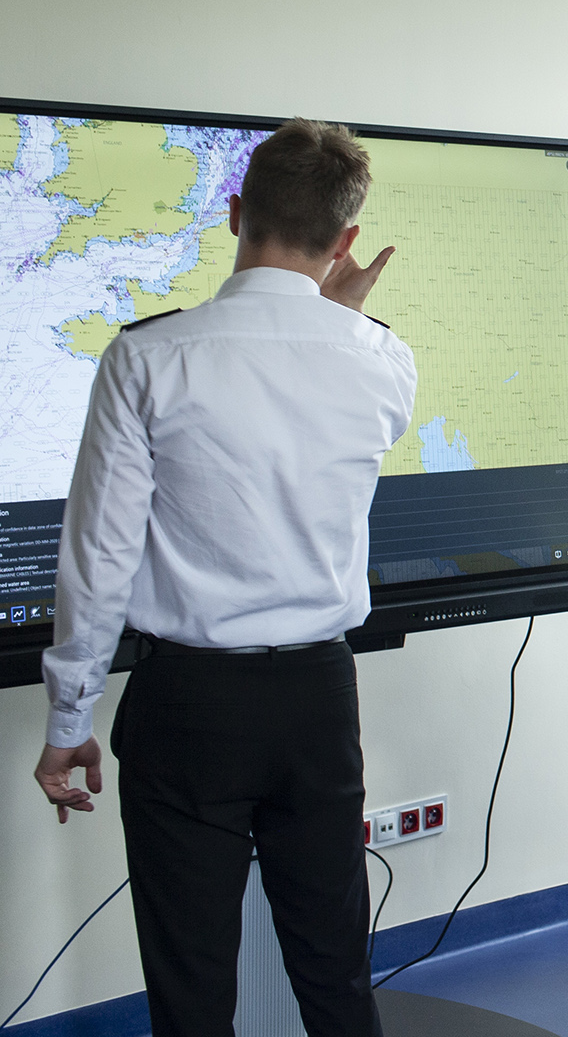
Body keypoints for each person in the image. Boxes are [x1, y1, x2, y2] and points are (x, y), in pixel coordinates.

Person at [33, 119, 415, 1037]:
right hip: (321, 700)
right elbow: (340, 383)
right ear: (346, 241)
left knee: (192, 984)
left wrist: (68, 723)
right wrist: (345, 314)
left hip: (188, 705)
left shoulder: (146, 357)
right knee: (334, 973)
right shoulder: (384, 359)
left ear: (236, 211)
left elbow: (99, 557)